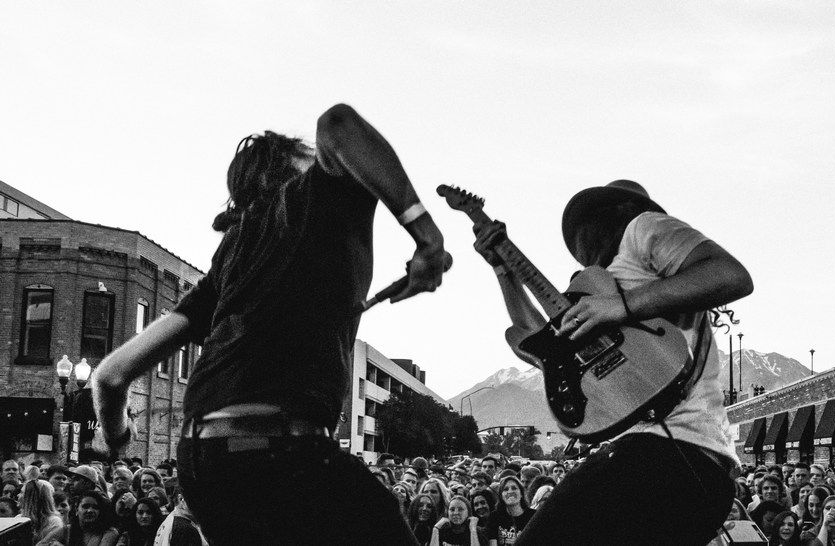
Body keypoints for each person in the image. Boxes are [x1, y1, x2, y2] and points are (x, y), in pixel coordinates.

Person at [90, 104, 448, 545]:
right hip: (282, 450)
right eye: (312, 159)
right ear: (293, 167)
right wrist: (427, 237)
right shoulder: (313, 199)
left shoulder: (228, 262)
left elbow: (110, 376)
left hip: (204, 464)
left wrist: (117, 438)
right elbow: (338, 124)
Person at [473, 179, 752, 544]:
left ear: (616, 211)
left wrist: (621, 306)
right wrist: (502, 269)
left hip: (670, 451)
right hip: (690, 470)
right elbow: (536, 338)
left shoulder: (643, 229)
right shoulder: (595, 288)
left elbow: (729, 275)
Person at [38, 491, 120, 546]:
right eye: (85, 506)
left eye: (95, 507)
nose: (90, 510)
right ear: (77, 510)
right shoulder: (67, 530)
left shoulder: (109, 533)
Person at [485, 476, 534, 546]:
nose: (510, 492)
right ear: (501, 496)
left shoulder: (533, 515)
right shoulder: (494, 517)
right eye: (505, 489)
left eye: (514, 488)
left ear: (521, 494)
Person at [20, 479, 64, 544]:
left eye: (21, 493)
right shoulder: (19, 519)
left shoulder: (54, 522)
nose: (18, 495)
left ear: (31, 498)